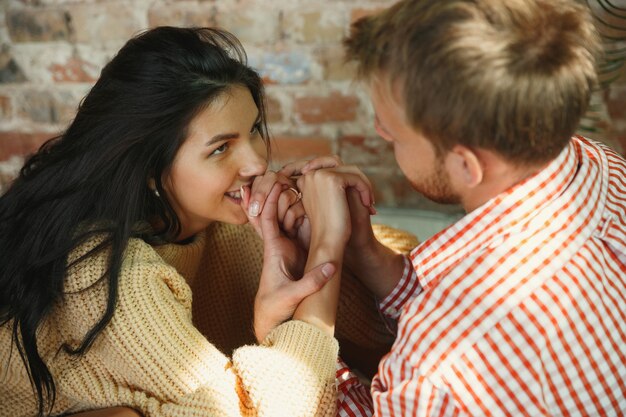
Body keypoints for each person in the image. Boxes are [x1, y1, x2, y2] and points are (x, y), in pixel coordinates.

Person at [0, 26, 411, 417]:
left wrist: (336, 248)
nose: (256, 162)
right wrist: (326, 245)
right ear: (150, 167)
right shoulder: (111, 276)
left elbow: (394, 336)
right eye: (220, 149)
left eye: (252, 130)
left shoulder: (231, 221)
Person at [290, 0, 626, 415]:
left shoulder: (443, 361)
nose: (379, 131)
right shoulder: (602, 166)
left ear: (466, 165)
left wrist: (294, 332)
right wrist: (365, 252)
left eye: (394, 134)